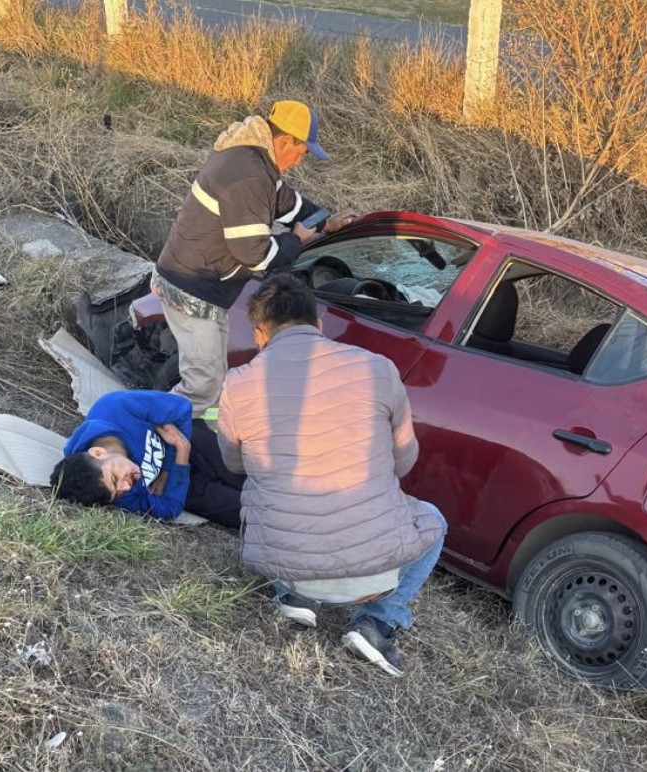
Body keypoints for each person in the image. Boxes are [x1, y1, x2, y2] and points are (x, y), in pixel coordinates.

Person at [216, 274, 447, 677]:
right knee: (435, 519)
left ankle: (293, 595)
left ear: (258, 334)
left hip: (287, 564)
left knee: (264, 491)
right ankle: (378, 620)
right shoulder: (379, 369)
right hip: (379, 574)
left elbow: (235, 465)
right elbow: (404, 462)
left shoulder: (237, 384)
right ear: (319, 325)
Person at [152, 99, 358, 417]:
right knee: (202, 387)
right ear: (285, 140)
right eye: (302, 152)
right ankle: (149, 428)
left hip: (198, 283)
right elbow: (255, 256)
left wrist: (325, 221)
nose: (300, 161)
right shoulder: (249, 177)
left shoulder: (254, 160)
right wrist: (295, 240)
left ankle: (192, 440)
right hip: (193, 288)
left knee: (212, 381)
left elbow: (288, 204)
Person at [50, 390, 244, 528]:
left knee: (257, 474)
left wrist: (168, 467)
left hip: (192, 443)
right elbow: (171, 508)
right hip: (184, 483)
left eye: (115, 479)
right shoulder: (110, 492)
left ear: (98, 453)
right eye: (117, 494)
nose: (126, 488)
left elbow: (181, 407)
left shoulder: (115, 407)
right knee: (251, 513)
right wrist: (181, 454)